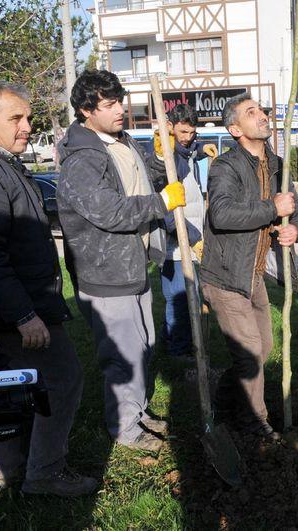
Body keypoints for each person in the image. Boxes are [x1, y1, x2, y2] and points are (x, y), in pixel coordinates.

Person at [0, 81, 97, 496]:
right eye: (15, 118)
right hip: (2, 312)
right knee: (64, 377)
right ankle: (45, 473)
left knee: (10, 388)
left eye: (29, 118)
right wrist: (23, 315)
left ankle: (11, 472)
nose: (27, 127)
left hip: (6, 307)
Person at [57, 70, 186, 452]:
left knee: (143, 346)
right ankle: (125, 431)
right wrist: (161, 203)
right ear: (85, 110)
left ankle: (138, 412)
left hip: (132, 266)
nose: (120, 110)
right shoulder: (81, 158)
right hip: (106, 274)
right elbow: (108, 211)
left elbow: (143, 180)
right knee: (122, 356)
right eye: (109, 104)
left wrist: (164, 160)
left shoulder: (121, 141)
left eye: (120, 101)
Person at [200, 93, 298, 440]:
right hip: (226, 276)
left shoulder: (276, 165)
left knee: (263, 349)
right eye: (251, 112)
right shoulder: (225, 167)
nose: (262, 115)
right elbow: (223, 213)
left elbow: (296, 204)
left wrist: (296, 227)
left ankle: (226, 400)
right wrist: (271, 209)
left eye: (261, 108)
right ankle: (255, 425)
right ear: (235, 129)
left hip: (254, 274)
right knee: (249, 355)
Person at [147, 103, 217, 360]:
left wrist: (200, 148)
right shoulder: (164, 160)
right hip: (174, 244)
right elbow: (165, 212)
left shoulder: (186, 151)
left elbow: (187, 150)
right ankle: (179, 351)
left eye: (192, 132)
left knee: (185, 296)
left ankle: (169, 341)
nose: (188, 137)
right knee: (181, 299)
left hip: (188, 240)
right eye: (183, 132)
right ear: (170, 130)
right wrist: (194, 237)